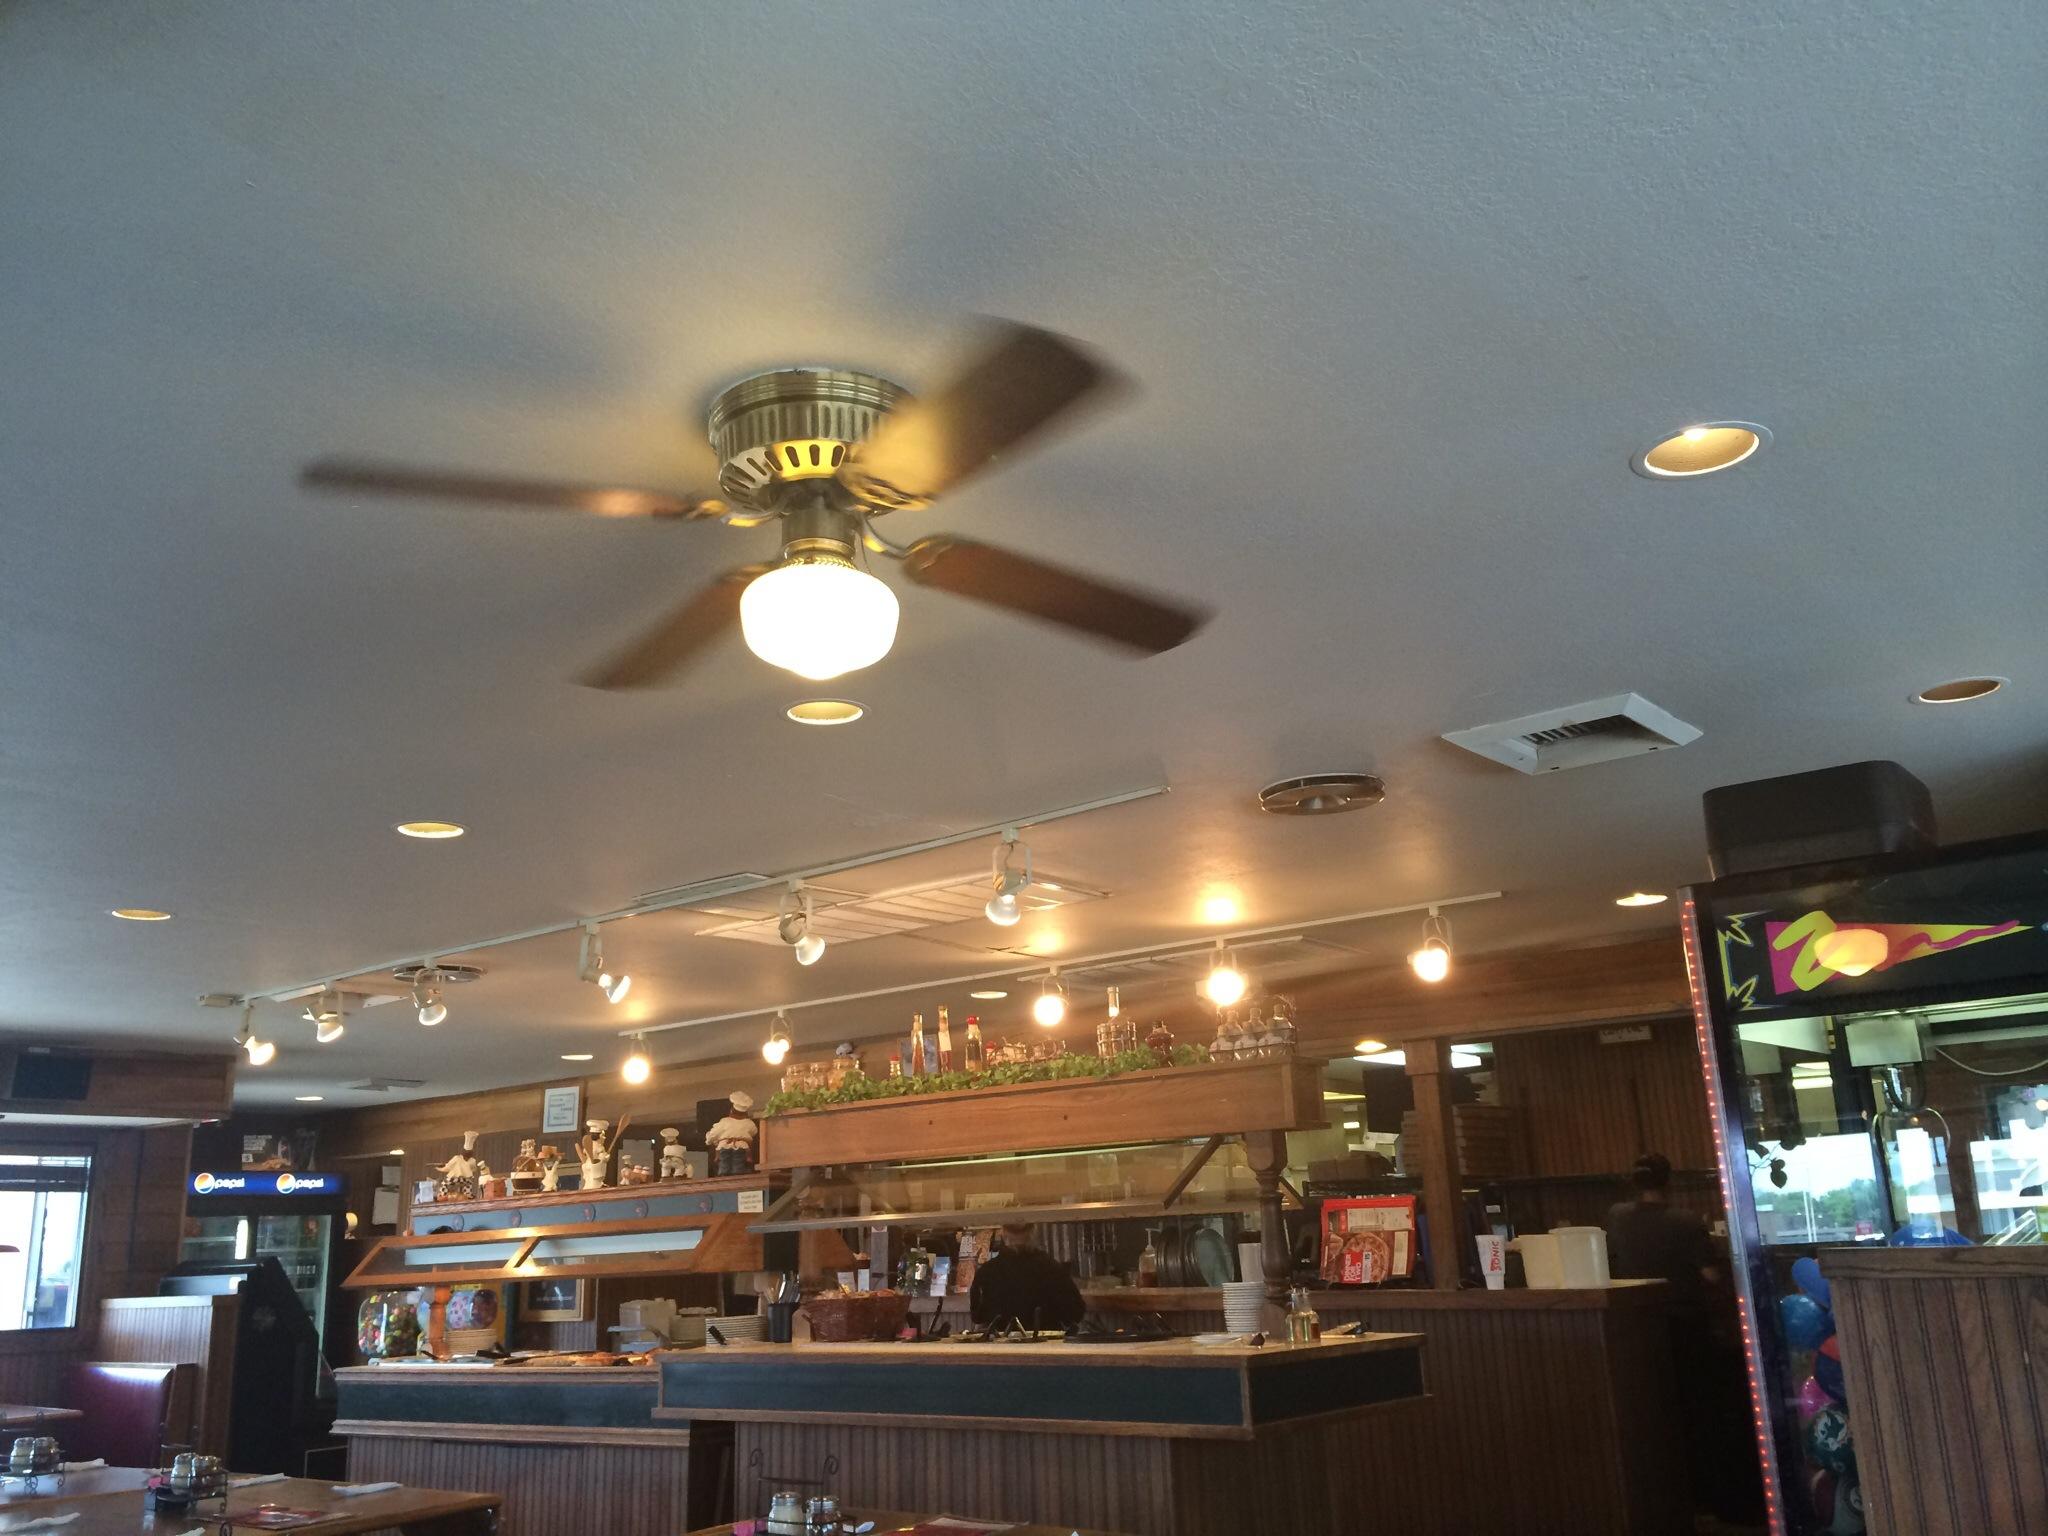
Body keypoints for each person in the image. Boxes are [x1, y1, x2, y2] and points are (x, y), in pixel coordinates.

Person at [1606, 1152, 1759, 1525]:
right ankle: (1708, 1498)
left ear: (1634, 1181)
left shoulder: (1617, 1217)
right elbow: (1710, 1275)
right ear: (1669, 1182)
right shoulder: (1686, 1222)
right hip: (1685, 1328)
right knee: (1699, 1411)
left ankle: (1671, 1497)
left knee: (1654, 1412)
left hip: (1635, 1330)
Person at [968, 1223, 1086, 1332]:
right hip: (1047, 1344)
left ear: (1003, 1232)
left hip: (1001, 1345)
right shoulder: (1052, 1268)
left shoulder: (987, 1272)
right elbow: (1075, 1313)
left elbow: (977, 1317)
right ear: (1034, 1232)